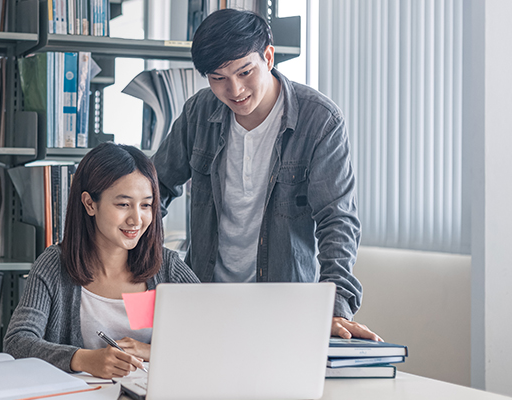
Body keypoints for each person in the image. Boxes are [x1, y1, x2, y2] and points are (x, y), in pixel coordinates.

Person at [151, 9, 380, 341]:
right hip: (204, 299)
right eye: (218, 78)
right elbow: (153, 191)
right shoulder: (198, 112)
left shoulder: (319, 121)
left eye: (245, 72)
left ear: (268, 56)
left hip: (285, 306)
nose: (235, 90)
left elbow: (337, 220)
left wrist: (335, 307)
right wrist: (147, 267)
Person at [3, 143, 199, 379]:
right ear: (89, 204)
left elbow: (217, 334)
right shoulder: (55, 265)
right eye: (123, 204)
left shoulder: (167, 266)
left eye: (146, 205)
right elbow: (17, 342)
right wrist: (83, 359)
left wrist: (151, 351)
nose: (137, 219)